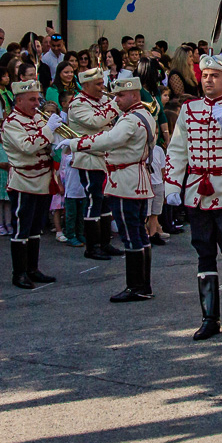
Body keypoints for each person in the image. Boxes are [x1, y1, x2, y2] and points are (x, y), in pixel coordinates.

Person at [162, 52, 222, 340]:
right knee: (203, 252)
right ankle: (210, 318)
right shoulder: (189, 110)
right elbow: (178, 150)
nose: (208, 80)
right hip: (197, 190)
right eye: (205, 75)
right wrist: (172, 186)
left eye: (215, 76)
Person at [64, 75, 158, 303]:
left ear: (134, 95)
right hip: (137, 179)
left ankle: (136, 287)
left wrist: (75, 143)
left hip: (125, 181)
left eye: (120, 95)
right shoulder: (145, 114)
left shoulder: (128, 120)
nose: (116, 99)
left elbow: (110, 139)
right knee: (138, 232)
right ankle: (143, 284)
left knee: (130, 234)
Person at [0, 78, 57, 291]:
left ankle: (33, 269)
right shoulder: (12, 122)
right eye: (32, 99)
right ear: (19, 100)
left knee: (35, 227)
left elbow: (47, 140)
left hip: (43, 178)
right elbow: (27, 146)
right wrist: (49, 130)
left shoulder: (38, 118)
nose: (36, 103)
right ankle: (19, 273)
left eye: (37, 98)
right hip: (23, 181)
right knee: (21, 227)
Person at [66, 67, 122, 261]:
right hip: (89, 156)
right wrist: (115, 106)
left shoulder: (104, 100)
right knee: (94, 199)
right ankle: (92, 246)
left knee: (106, 199)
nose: (102, 87)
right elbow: (95, 122)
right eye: (98, 84)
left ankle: (105, 243)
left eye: (102, 83)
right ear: (86, 85)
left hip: (106, 155)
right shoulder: (77, 104)